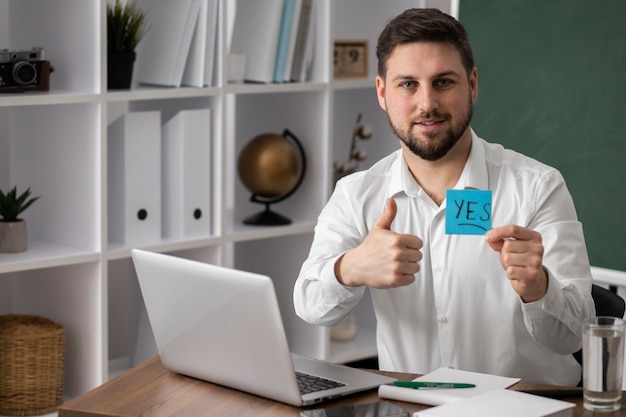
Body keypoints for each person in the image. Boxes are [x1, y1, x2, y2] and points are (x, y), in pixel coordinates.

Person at [293, 8, 595, 386]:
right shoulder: (357, 194)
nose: (427, 104)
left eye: (443, 82)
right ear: (382, 93)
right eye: (408, 85)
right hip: (414, 405)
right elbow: (310, 306)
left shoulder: (537, 187)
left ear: (472, 84)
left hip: (531, 410)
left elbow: (575, 334)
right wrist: (350, 268)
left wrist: (540, 289)